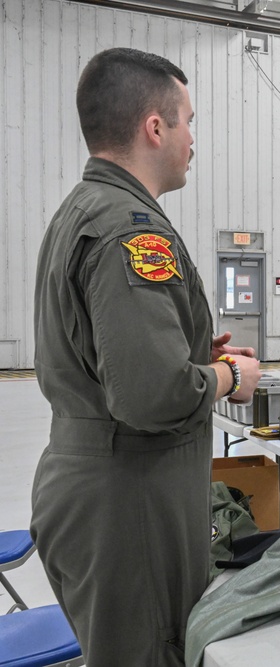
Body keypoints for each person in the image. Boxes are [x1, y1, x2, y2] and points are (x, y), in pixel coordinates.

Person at [30, 48, 262, 666]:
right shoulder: (134, 231)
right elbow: (149, 395)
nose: (193, 139)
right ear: (154, 127)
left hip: (97, 487)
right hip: (128, 504)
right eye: (188, 120)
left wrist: (187, 352)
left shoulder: (84, 211)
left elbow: (102, 354)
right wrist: (230, 375)